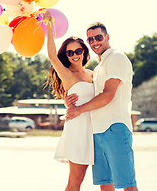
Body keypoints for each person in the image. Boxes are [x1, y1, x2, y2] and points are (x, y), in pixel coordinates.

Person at [65, 22, 139, 191]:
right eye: (90, 39)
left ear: (107, 37)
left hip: (115, 128)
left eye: (98, 37)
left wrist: (77, 110)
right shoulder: (99, 67)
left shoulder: (117, 58)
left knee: (128, 185)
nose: (94, 42)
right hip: (97, 132)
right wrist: (69, 101)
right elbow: (85, 92)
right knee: (105, 184)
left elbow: (107, 94)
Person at [43, 11, 95, 191]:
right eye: (70, 52)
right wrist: (49, 26)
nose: (74, 55)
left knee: (103, 178)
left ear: (84, 51)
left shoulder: (92, 74)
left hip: (96, 129)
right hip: (78, 130)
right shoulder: (67, 74)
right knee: (76, 180)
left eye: (78, 50)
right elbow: (51, 56)